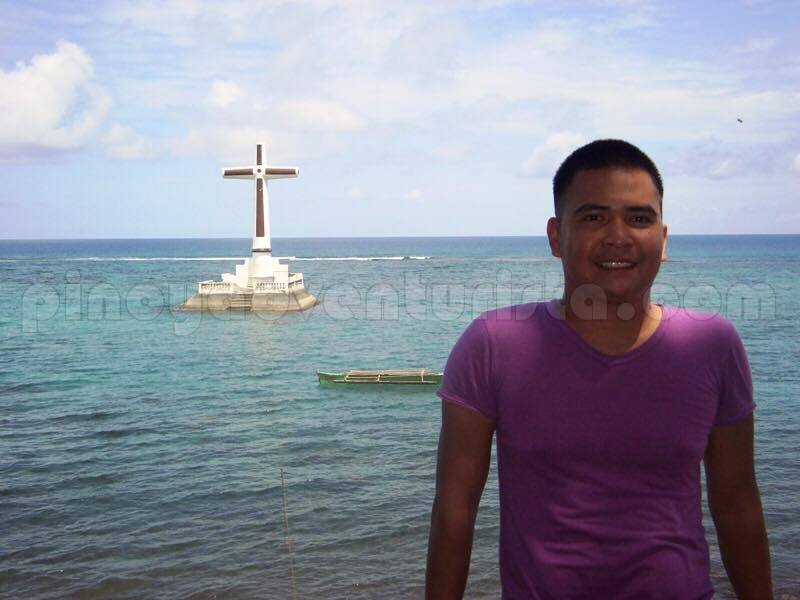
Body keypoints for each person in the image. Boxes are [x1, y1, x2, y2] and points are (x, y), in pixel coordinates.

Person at [425, 139, 772, 599]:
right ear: (555, 236)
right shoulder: (493, 344)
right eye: (593, 217)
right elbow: (454, 511)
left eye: (639, 218)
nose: (618, 236)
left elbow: (738, 506)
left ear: (663, 240)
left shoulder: (712, 345)